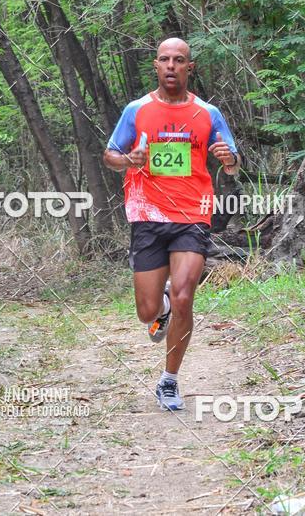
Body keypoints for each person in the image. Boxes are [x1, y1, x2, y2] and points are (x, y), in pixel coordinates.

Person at [104, 38, 240, 411]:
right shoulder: (137, 110)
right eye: (164, 59)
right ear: (156, 65)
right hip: (147, 213)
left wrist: (228, 158)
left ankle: (169, 380)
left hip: (192, 214)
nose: (171, 66)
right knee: (147, 312)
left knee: (184, 295)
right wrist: (129, 159)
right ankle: (159, 307)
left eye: (179, 60)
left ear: (189, 68)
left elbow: (232, 161)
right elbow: (110, 154)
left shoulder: (208, 113)